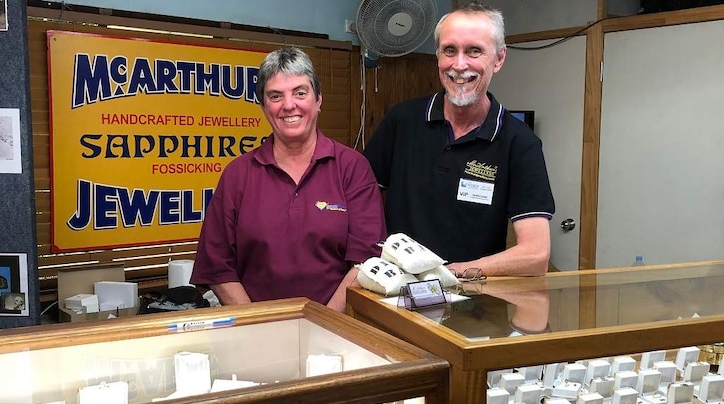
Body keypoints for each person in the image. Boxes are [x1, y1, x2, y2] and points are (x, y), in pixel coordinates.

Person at [364, 1, 555, 277]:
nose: (459, 64)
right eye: (449, 51)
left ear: (499, 59)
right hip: (396, 297)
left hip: (473, 307)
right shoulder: (402, 120)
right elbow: (358, 201)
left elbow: (536, 255)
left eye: (474, 51)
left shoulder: (520, 143)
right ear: (438, 56)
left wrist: (450, 276)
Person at [191, 47, 386, 312]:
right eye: (275, 95)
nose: (289, 105)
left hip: (336, 332)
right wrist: (260, 325)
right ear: (263, 107)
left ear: (318, 99)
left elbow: (365, 261)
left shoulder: (352, 168)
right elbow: (217, 264)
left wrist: (323, 326)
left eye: (300, 92)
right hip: (257, 333)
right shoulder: (238, 174)